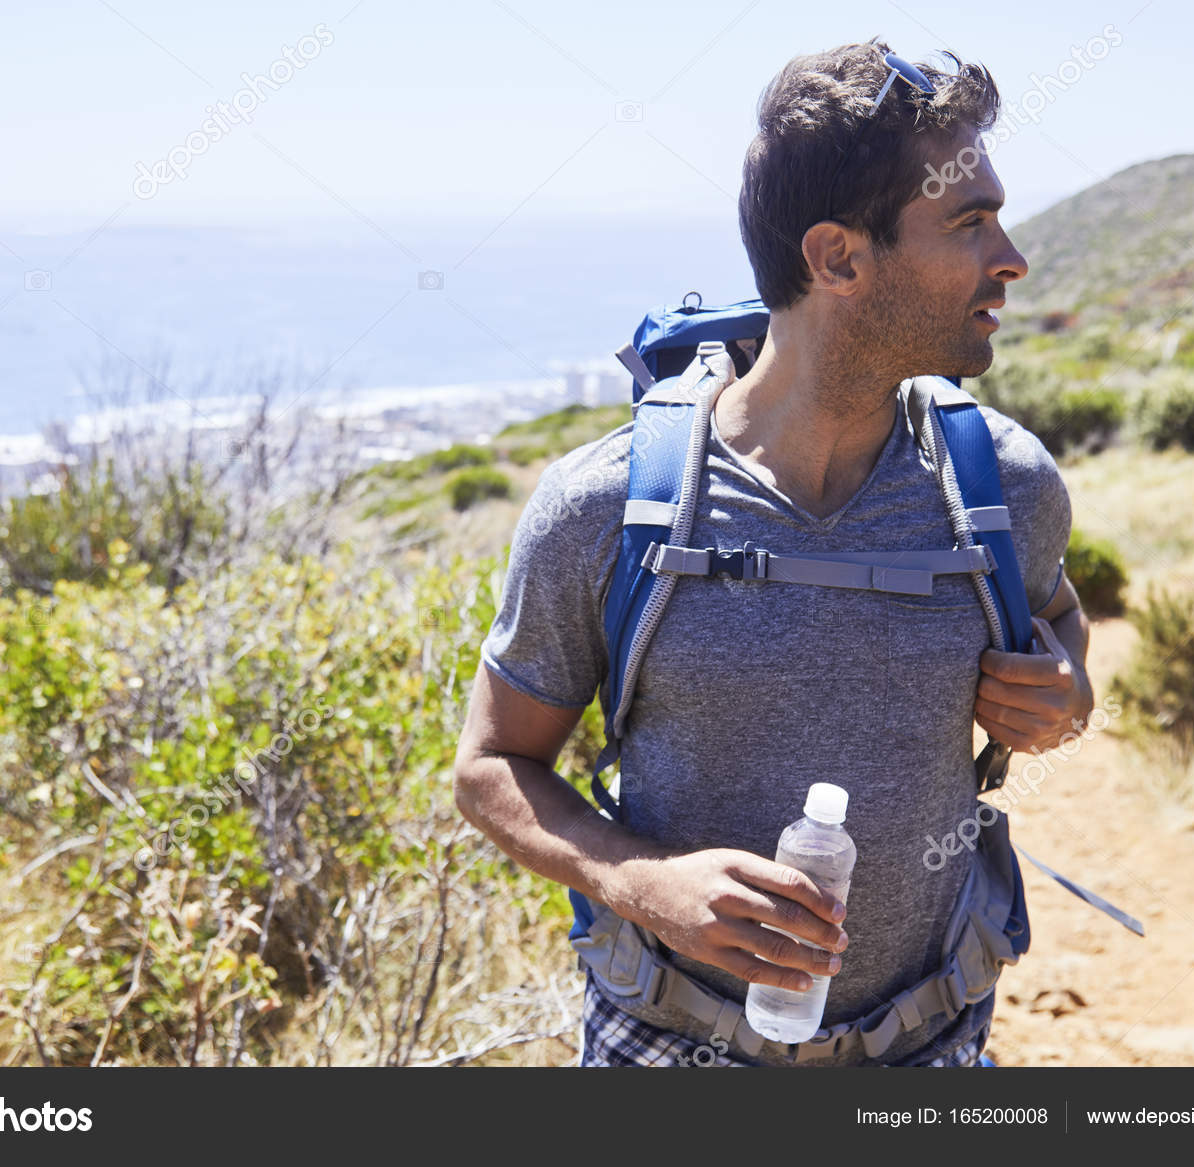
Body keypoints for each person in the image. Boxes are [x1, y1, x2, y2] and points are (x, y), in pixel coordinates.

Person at [452, 39, 1094, 1068]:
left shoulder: (1006, 488)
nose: (1010, 257)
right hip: (665, 1041)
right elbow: (490, 769)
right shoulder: (606, 507)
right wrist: (635, 883)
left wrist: (1066, 686)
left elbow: (1057, 618)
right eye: (969, 223)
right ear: (838, 257)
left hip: (928, 1040)